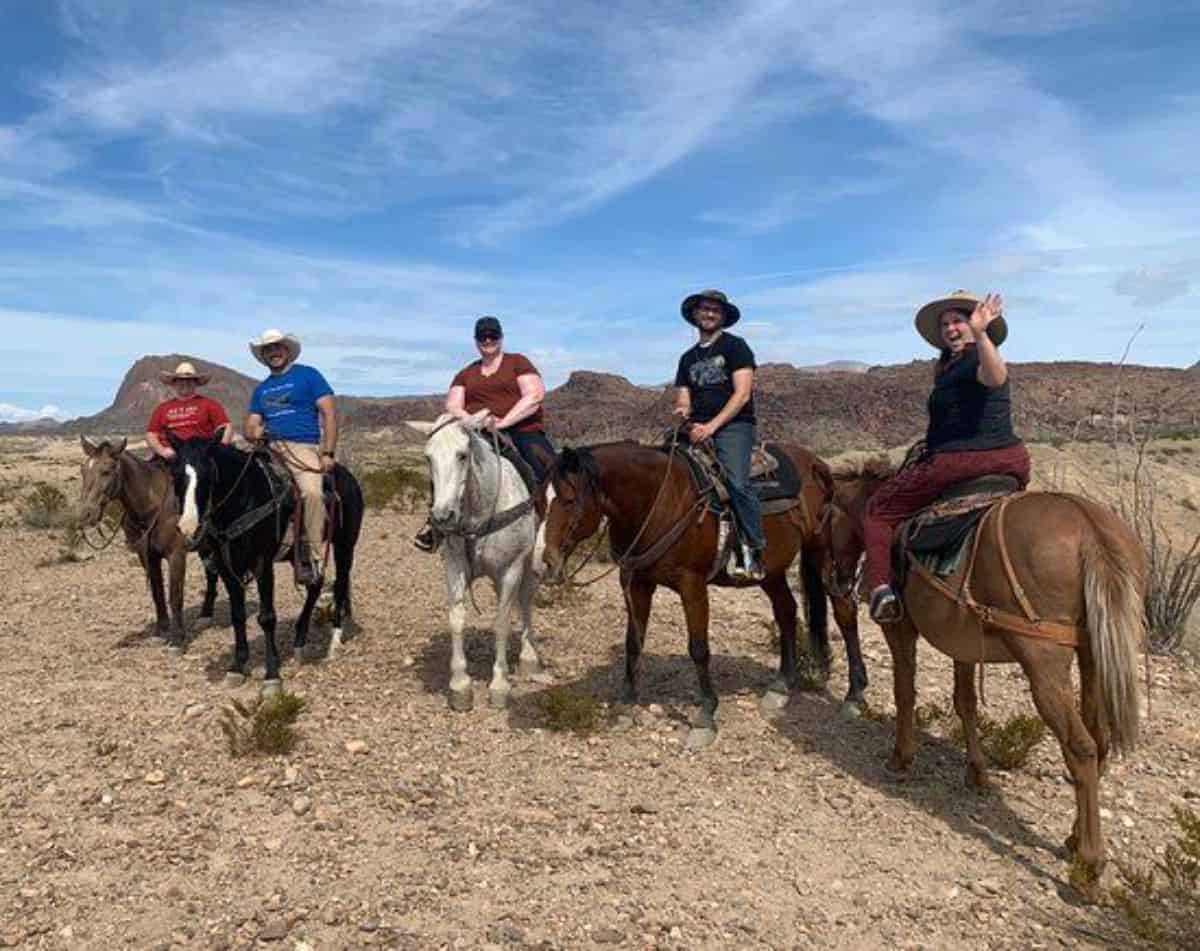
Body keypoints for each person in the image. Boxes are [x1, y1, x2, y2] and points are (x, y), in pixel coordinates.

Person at [864, 290, 1032, 623]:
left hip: (960, 462)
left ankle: (880, 589)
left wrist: (982, 334)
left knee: (877, 513)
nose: (951, 328)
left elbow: (995, 377)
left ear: (975, 324)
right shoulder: (951, 365)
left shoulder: (979, 357)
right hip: (1012, 460)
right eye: (945, 324)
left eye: (959, 321)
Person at [414, 315, 555, 552]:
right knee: (446, 462)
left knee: (549, 468)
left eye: (492, 336)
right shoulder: (466, 373)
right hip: (478, 430)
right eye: (482, 337)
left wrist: (503, 422)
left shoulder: (518, 363)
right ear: (476, 341)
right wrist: (473, 421)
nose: (488, 340)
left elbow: (534, 395)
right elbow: (453, 405)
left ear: (501, 337)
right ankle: (436, 522)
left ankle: (552, 526)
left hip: (521, 429)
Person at [673, 289, 764, 581]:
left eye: (715, 310)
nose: (709, 314)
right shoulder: (687, 359)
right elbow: (684, 398)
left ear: (723, 316)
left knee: (736, 481)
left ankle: (753, 549)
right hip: (697, 428)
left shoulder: (736, 347)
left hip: (734, 425)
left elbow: (742, 394)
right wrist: (684, 414)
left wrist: (711, 427)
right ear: (695, 315)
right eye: (705, 309)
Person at [245, 329, 337, 586]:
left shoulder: (308, 375)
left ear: (287, 350)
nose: (274, 352)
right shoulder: (261, 389)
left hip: (302, 446)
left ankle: (314, 556)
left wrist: (328, 452)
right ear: (263, 355)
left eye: (278, 347)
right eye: (268, 349)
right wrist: (254, 432)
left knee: (312, 492)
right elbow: (250, 425)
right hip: (269, 447)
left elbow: (329, 412)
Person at [145, 361, 233, 461]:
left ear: (196, 383)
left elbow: (225, 427)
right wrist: (163, 451)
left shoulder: (209, 404)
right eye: (180, 380)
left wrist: (218, 451)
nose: (185, 383)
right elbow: (151, 434)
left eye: (189, 380)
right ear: (174, 383)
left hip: (200, 456)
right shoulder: (162, 408)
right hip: (170, 456)